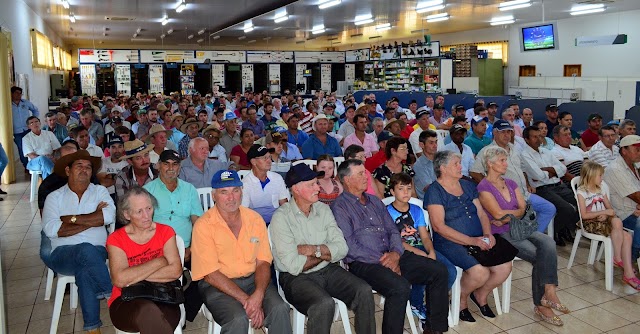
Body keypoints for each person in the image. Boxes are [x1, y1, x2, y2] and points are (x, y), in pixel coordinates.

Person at [331, 159, 449, 334]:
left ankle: (434, 328)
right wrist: (384, 260)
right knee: (399, 287)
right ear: (347, 180)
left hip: (392, 254)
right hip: (364, 263)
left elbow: (393, 231)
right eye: (361, 173)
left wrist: (395, 253)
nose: (367, 176)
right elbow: (350, 246)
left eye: (365, 172)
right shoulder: (340, 206)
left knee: (439, 270)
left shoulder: (374, 201)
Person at [270, 163, 375, 334]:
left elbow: (341, 248)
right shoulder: (281, 218)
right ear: (296, 189)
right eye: (311, 184)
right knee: (323, 304)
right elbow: (294, 265)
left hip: (328, 270)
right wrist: (326, 252)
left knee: (363, 291)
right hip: (296, 278)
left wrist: (313, 250)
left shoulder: (323, 209)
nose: (318, 188)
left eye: (316, 183)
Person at [191, 170, 292, 333]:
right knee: (237, 319)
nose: (231, 198)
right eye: (224, 192)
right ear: (214, 196)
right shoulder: (203, 226)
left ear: (241, 192)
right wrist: (248, 301)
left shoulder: (255, 219)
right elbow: (211, 274)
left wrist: (258, 295)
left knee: (280, 308)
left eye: (235, 190)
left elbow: (263, 262)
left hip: (254, 280)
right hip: (218, 286)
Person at [477, 146, 568, 326]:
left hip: (520, 227)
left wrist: (507, 215)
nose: (506, 163)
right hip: (501, 233)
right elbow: (496, 215)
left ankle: (549, 291)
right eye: (502, 160)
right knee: (538, 256)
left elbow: (523, 207)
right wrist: (509, 214)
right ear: (490, 163)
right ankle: (542, 304)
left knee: (548, 242)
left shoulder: (510, 183)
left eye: (505, 159)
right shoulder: (483, 187)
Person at [424, 150, 512, 323]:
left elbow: (481, 214)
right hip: (449, 242)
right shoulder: (435, 191)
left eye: (459, 163)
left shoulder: (467, 185)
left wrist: (488, 234)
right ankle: (460, 300)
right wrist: (473, 241)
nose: (460, 166)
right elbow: (438, 226)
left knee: (505, 266)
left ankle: (480, 295)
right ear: (443, 168)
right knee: (479, 272)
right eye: (456, 164)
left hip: (479, 237)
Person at [42, 150, 115, 333]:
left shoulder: (100, 191)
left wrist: (70, 219)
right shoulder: (54, 197)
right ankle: (112, 294)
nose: (84, 170)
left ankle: (93, 329)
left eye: (89, 167)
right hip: (62, 255)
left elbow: (109, 215)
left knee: (85, 270)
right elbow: (51, 229)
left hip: (97, 252)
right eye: (79, 166)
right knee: (84, 250)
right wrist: (93, 219)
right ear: (68, 171)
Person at [106, 187, 183, 333]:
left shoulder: (165, 232)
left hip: (163, 295)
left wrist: (133, 275)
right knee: (147, 312)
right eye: (139, 211)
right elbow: (120, 280)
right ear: (127, 214)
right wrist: (159, 262)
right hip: (126, 300)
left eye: (149, 208)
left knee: (157, 319)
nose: (146, 216)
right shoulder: (116, 239)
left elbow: (175, 271)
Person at [386, 173, 457, 323]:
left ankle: (431, 304)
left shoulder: (416, 210)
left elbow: (424, 236)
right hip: (403, 251)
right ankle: (417, 304)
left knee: (450, 271)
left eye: (408, 188)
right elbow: (396, 241)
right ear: (392, 192)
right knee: (425, 271)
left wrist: (430, 251)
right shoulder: (387, 212)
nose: (406, 192)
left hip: (421, 247)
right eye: (401, 188)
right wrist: (420, 253)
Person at [470, 121, 556, 233]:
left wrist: (528, 184)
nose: (507, 135)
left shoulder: (515, 148)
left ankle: (535, 234)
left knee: (549, 208)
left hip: (524, 192)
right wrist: (492, 189)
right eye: (503, 132)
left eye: (509, 132)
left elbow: (522, 169)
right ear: (495, 133)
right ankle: (530, 237)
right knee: (522, 216)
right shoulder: (487, 151)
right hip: (507, 197)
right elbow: (474, 172)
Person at [578, 161, 640, 290]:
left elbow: (610, 209)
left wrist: (606, 215)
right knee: (618, 223)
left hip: (604, 221)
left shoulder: (600, 189)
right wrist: (604, 213)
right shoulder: (582, 192)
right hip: (591, 223)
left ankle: (625, 269)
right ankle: (618, 259)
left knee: (626, 235)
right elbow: (584, 215)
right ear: (591, 176)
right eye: (600, 176)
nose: (602, 178)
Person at [520, 126, 578, 246]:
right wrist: (553, 172)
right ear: (526, 139)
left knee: (580, 202)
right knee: (566, 208)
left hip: (558, 185)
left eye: (540, 136)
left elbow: (563, 168)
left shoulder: (546, 152)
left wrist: (546, 170)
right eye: (534, 137)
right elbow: (538, 175)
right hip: (543, 189)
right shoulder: (524, 154)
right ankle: (556, 231)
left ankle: (564, 229)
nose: (538, 139)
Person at [144, 150, 203, 260]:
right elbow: (143, 225)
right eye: (166, 164)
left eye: (175, 164)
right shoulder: (147, 191)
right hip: (157, 250)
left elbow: (198, 222)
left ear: (179, 167)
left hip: (187, 248)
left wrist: (192, 248)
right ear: (158, 166)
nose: (171, 168)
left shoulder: (189, 189)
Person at [603, 135, 640, 261]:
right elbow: (637, 196)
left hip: (634, 209)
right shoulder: (615, 169)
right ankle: (632, 257)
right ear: (624, 151)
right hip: (623, 215)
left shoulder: (634, 165)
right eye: (637, 149)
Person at [241, 145, 290, 224]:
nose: (269, 161)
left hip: (276, 221)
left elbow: (284, 205)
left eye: (269, 157)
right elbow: (244, 211)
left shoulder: (277, 178)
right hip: (255, 222)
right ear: (253, 162)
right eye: (265, 158)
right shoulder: (245, 184)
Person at [11, 86, 40, 169]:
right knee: (22, 149)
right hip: (17, 131)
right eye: (16, 93)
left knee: (33, 147)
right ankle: (26, 166)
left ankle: (34, 164)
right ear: (12, 94)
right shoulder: (8, 105)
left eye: (20, 93)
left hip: (28, 129)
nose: (19, 95)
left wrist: (33, 121)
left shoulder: (25, 103)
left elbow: (35, 110)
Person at [97, 135, 129, 199]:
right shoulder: (103, 162)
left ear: (123, 148)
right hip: (105, 196)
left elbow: (128, 184)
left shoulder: (127, 164)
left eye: (120, 147)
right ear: (108, 149)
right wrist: (119, 179)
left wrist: (110, 177)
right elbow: (102, 182)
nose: (117, 150)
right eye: (113, 147)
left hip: (124, 195)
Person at [413, 130, 438, 200]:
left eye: (436, 142)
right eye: (431, 143)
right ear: (421, 145)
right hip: (429, 202)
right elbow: (430, 189)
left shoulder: (440, 160)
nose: (435, 146)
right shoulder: (419, 165)